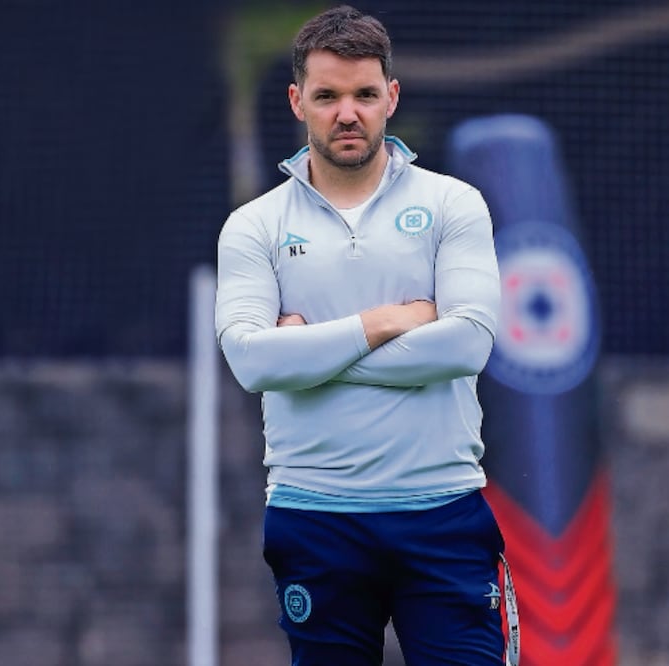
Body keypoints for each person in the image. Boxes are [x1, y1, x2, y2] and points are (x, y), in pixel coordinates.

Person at [215, 5, 516, 665]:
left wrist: (303, 353)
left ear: (390, 98)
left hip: (440, 512)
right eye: (326, 96)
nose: (345, 112)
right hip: (314, 514)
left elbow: (466, 345)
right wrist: (384, 321)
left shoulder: (451, 204)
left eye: (362, 95)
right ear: (297, 101)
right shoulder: (253, 225)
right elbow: (247, 360)